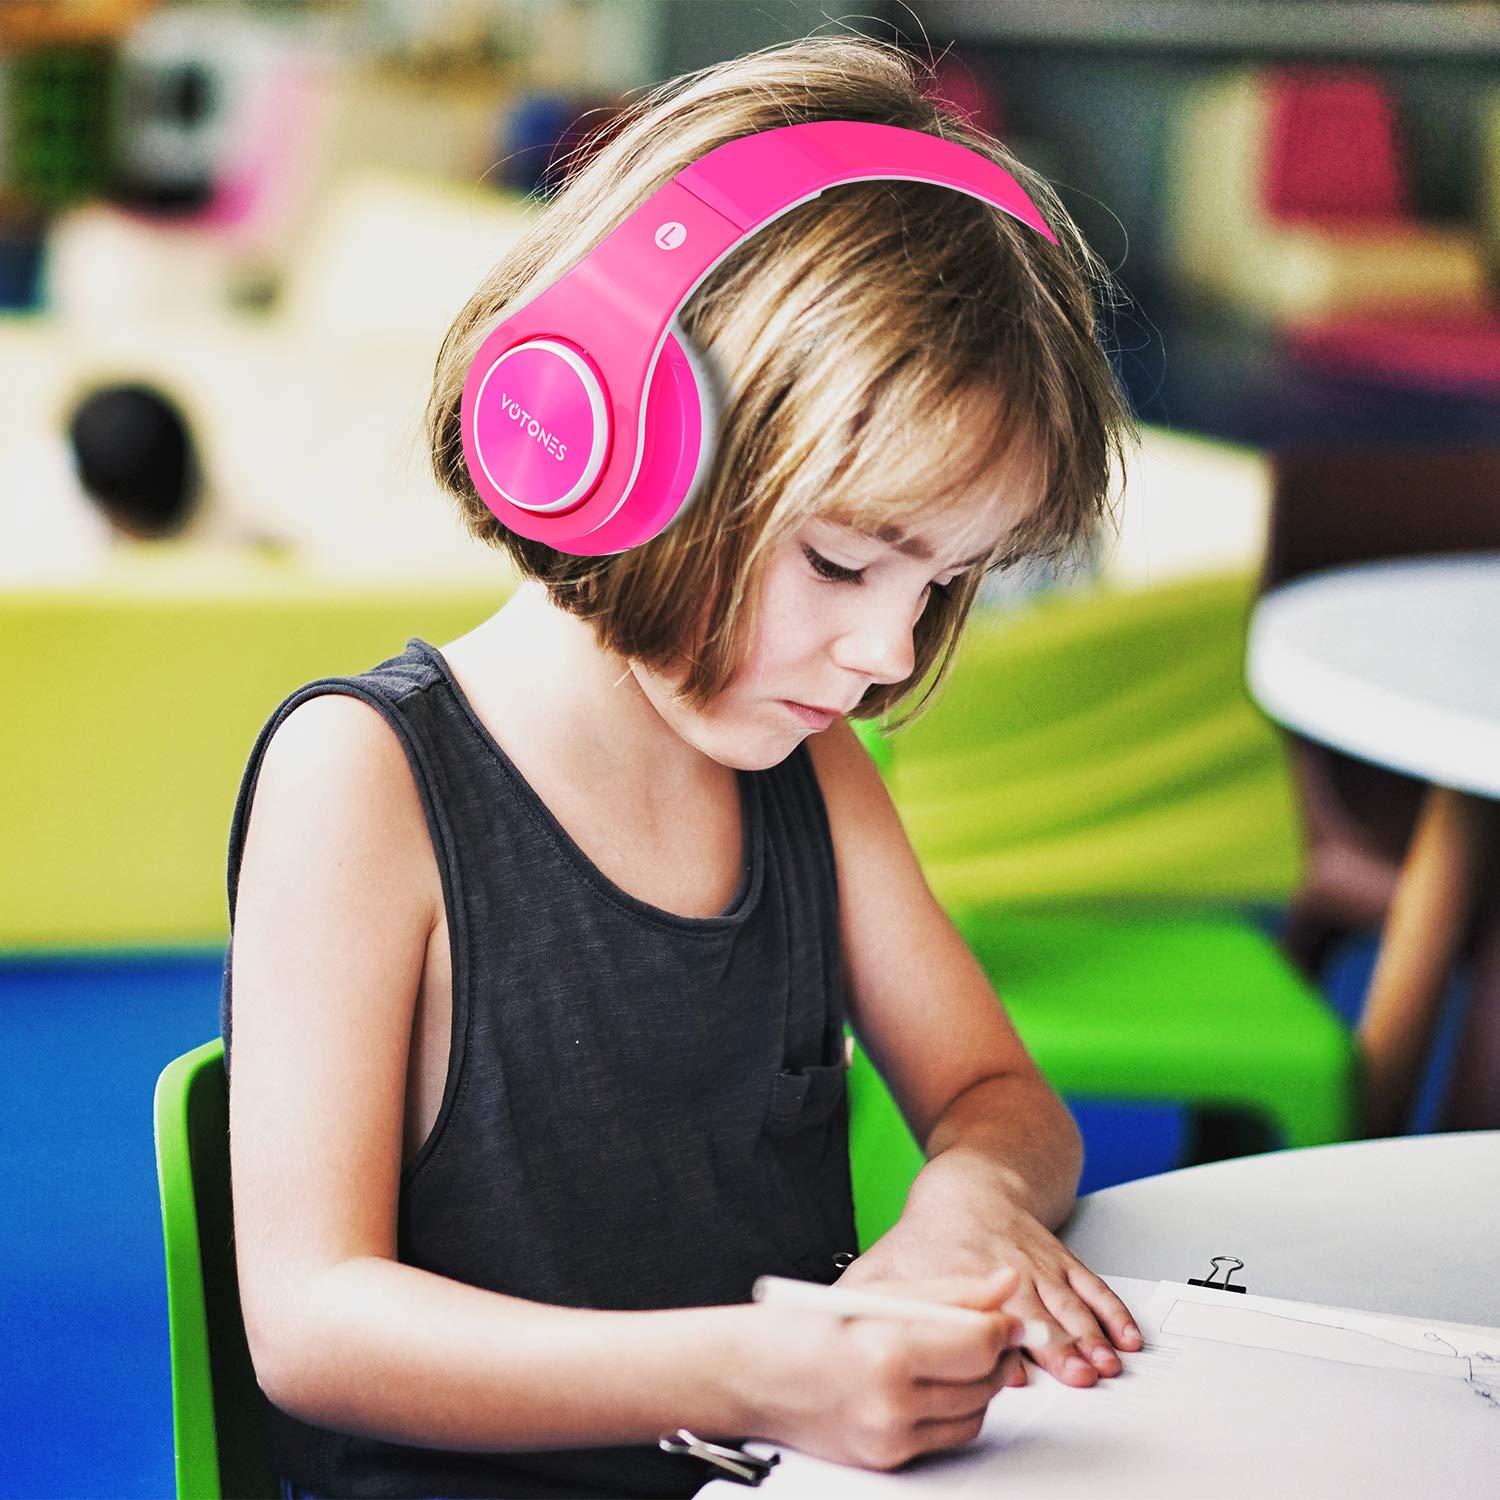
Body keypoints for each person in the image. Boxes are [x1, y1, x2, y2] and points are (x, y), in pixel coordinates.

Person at [221, 33, 1143, 1500]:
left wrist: (968, 1202)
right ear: (613, 438)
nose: (887, 653)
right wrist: (754, 1372)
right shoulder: (365, 780)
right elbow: (311, 1326)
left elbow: (997, 1093)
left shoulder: (809, 771)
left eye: (938, 586)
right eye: (842, 562)